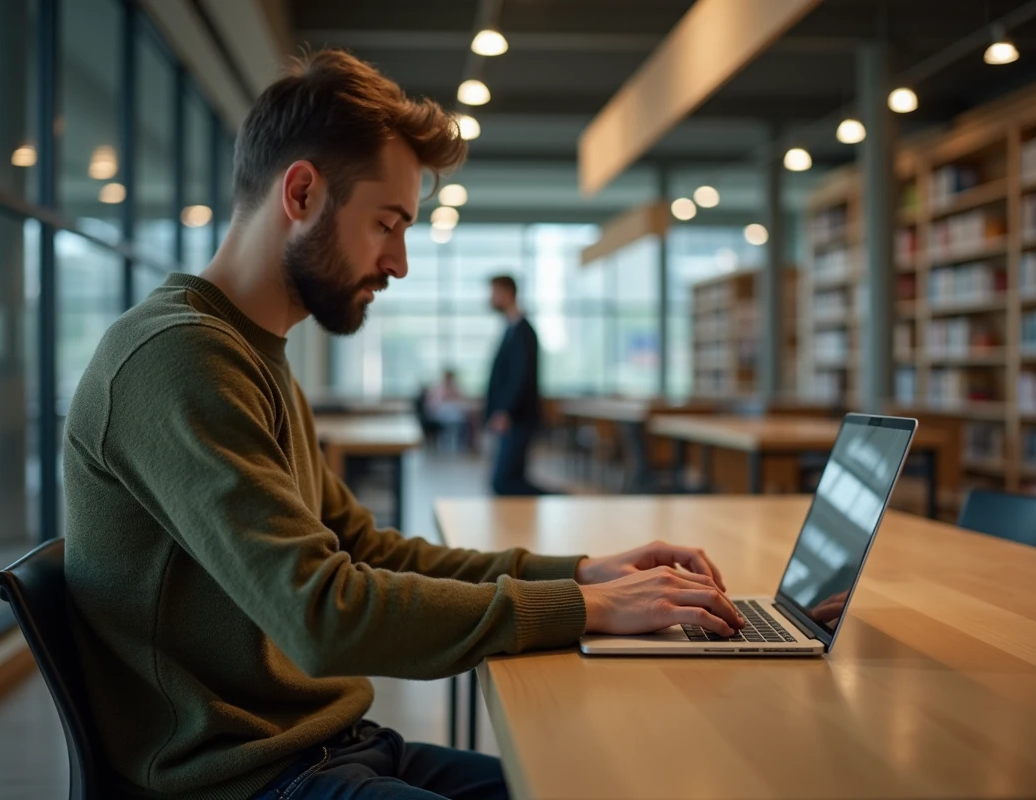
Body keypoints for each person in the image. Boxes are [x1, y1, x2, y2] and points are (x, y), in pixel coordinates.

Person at [63, 49, 744, 800]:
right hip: (243, 780)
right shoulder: (179, 358)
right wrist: (581, 608)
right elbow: (321, 614)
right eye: (387, 223)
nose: (400, 262)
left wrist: (583, 575)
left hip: (326, 747)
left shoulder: (253, 352)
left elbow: (363, 548)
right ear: (301, 192)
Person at [483, 275, 545, 495]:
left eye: (493, 293)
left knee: (504, 481)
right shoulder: (511, 329)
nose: (490, 298)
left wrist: (504, 411)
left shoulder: (523, 331)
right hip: (511, 417)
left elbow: (521, 377)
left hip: (517, 418)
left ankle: (562, 500)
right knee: (511, 478)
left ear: (507, 293)